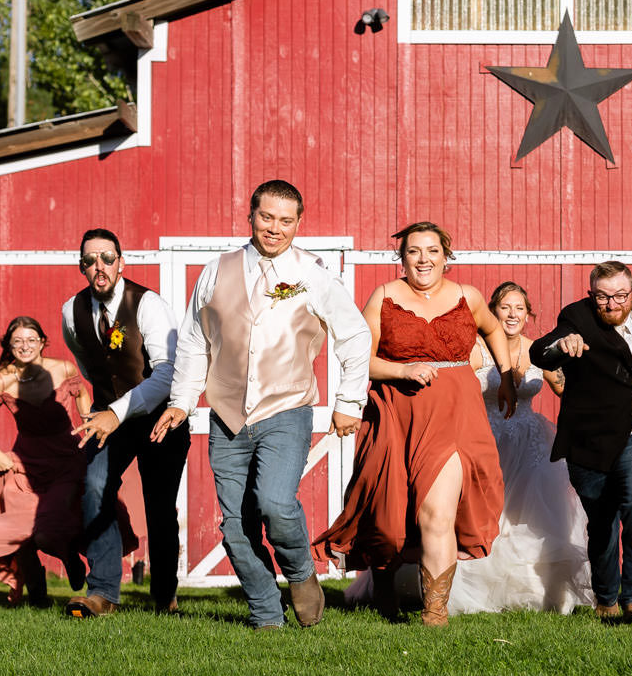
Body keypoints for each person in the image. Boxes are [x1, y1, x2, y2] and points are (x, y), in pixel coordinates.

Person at [153, 179, 370, 630]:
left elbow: (354, 335)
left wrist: (349, 401)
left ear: (298, 223)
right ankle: (266, 614)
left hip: (286, 409)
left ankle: (299, 572)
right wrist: (180, 401)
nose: (274, 228)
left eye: (285, 221)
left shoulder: (313, 273)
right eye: (266, 217)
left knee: (273, 502)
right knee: (235, 525)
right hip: (226, 417)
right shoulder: (215, 270)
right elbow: (195, 341)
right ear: (250, 215)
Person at [314, 222, 517, 626]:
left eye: (432, 251)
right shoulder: (385, 297)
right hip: (396, 414)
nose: (423, 259)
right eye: (413, 252)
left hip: (457, 414)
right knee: (389, 518)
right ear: (401, 257)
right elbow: (362, 359)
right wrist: (402, 371)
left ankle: (434, 612)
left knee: (437, 513)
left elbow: (494, 329)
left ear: (447, 256)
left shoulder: (468, 297)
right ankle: (384, 589)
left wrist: (507, 375)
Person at [528, 260, 632, 623]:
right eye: (603, 297)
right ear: (592, 295)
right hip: (588, 437)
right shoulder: (577, 316)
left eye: (621, 295)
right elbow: (540, 351)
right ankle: (606, 595)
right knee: (603, 521)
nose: (613, 304)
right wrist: (563, 343)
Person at [59, 229, 189, 617]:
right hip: (108, 417)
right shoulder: (72, 311)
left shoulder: (148, 304)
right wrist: (105, 408)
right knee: (95, 488)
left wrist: (117, 411)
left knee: (160, 507)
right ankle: (102, 592)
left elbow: (167, 373)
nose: (99, 266)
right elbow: (86, 360)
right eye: (89, 260)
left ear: (121, 262)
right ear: (81, 267)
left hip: (159, 416)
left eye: (107, 258)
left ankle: (164, 594)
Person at [444, 283, 594, 613]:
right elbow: (454, 391)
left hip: (530, 445)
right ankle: (472, 588)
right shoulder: (475, 350)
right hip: (485, 439)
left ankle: (534, 590)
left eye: (519, 309)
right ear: (493, 312)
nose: (512, 315)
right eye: (505, 308)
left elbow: (565, 389)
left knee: (535, 516)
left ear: (528, 314)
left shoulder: (540, 351)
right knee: (483, 513)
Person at [0, 316, 97, 605]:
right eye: (17, 341)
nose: (25, 346)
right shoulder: (2, 379)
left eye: (31, 340)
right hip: (24, 465)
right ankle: (38, 595)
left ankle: (70, 557)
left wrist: (88, 428)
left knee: (47, 532)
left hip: (65, 461)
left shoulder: (63, 369)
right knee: (17, 534)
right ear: (9, 345)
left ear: (43, 342)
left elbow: (82, 394)